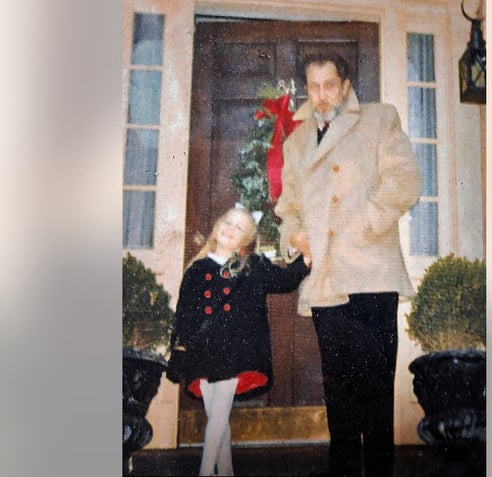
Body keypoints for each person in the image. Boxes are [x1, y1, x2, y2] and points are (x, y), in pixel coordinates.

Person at [274, 53, 422, 477]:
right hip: (326, 280)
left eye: (328, 85)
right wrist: (295, 236)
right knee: (338, 396)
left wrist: (360, 228)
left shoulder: (378, 120)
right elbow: (289, 207)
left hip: (372, 277)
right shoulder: (297, 142)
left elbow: (404, 181)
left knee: (375, 396)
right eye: (313, 86)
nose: (320, 96)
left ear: (344, 85)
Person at [168, 206, 310, 476]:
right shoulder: (197, 269)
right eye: (228, 223)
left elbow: (286, 280)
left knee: (219, 415)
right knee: (217, 418)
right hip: (204, 350)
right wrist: (180, 349)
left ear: (246, 240)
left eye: (239, 228)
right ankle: (227, 471)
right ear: (217, 225)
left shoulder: (253, 266)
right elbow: (185, 313)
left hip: (238, 349)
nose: (230, 229)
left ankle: (205, 472)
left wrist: (306, 256)